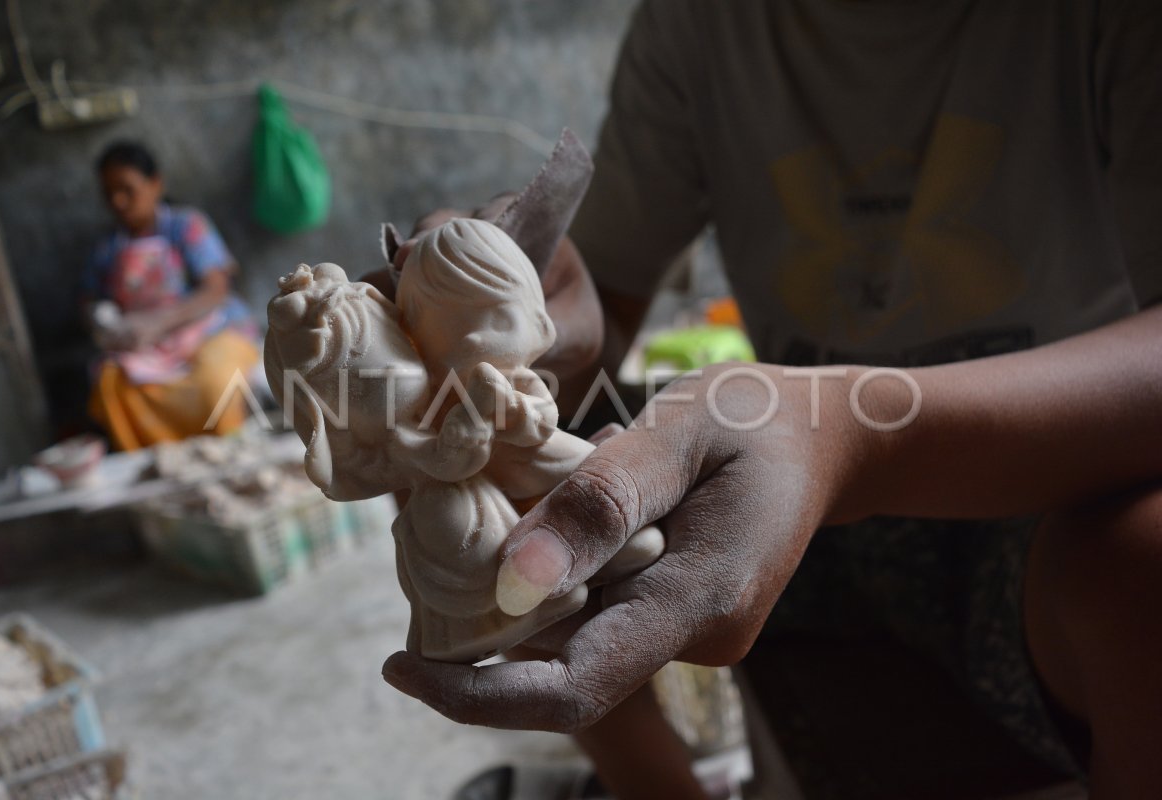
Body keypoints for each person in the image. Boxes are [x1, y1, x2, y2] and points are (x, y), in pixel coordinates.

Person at [382, 1, 1162, 797]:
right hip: (799, 483)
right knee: (501, 478)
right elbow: (601, 314)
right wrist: (518, 326)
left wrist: (853, 435)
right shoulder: (698, 26)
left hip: (1042, 481)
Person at [84, 141, 259, 451]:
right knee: (110, 384)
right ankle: (164, 464)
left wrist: (161, 321)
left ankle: (231, 455)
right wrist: (104, 322)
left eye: (127, 190)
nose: (118, 201)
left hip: (210, 330)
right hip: (147, 345)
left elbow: (216, 289)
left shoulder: (186, 225)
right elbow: (89, 300)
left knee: (215, 383)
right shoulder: (105, 248)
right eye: (109, 193)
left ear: (155, 184)